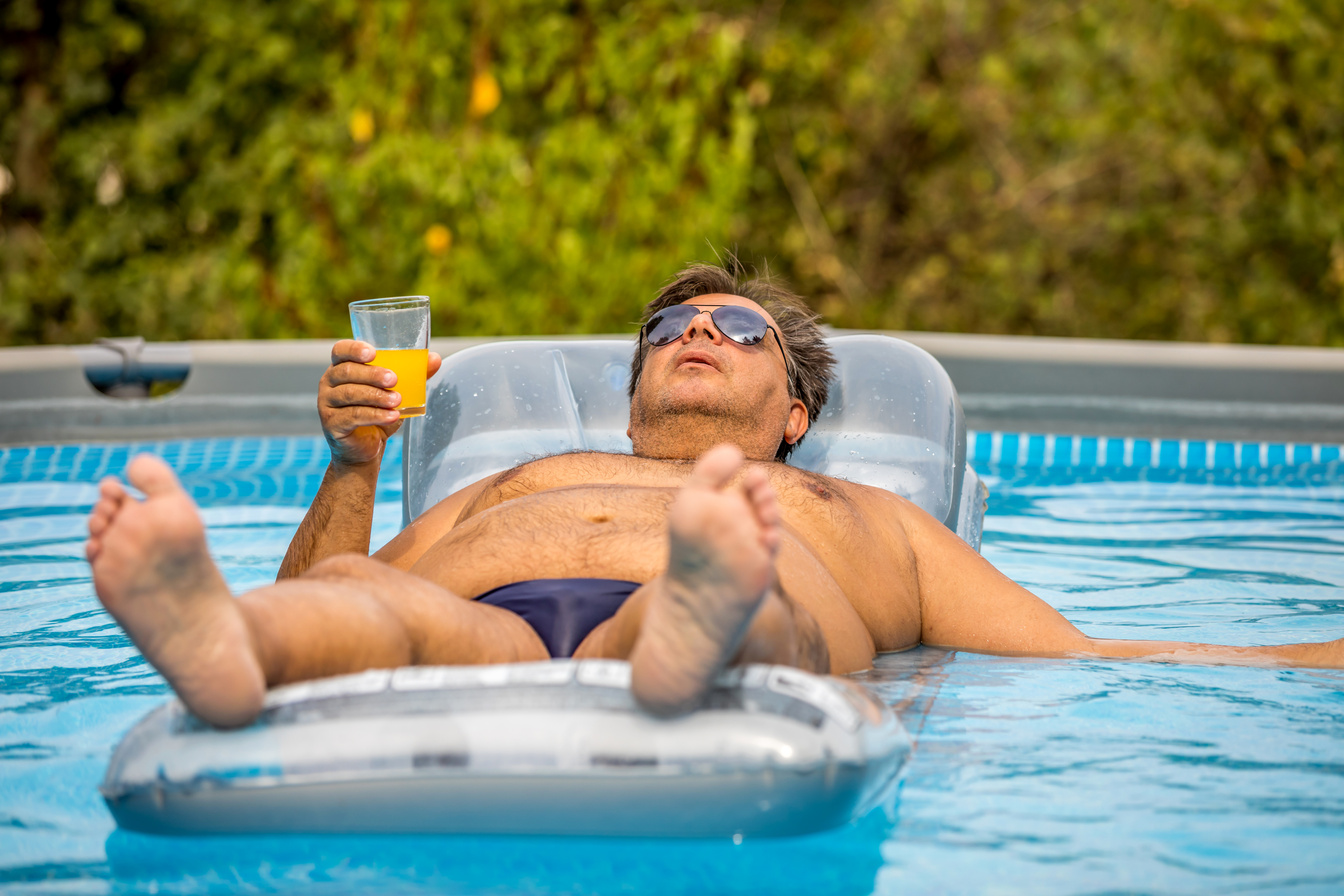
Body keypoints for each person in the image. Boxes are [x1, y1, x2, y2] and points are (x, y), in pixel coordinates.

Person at [86, 262, 1344, 729]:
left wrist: (1313, 655)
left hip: (747, 609)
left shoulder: (865, 519)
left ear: (794, 411)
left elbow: (1083, 654)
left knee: (771, 601)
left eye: (736, 326)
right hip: (495, 624)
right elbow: (336, 585)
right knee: (369, 600)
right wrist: (352, 464)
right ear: (634, 400)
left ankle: (699, 613)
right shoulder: (523, 477)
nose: (696, 330)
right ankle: (224, 642)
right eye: (671, 326)